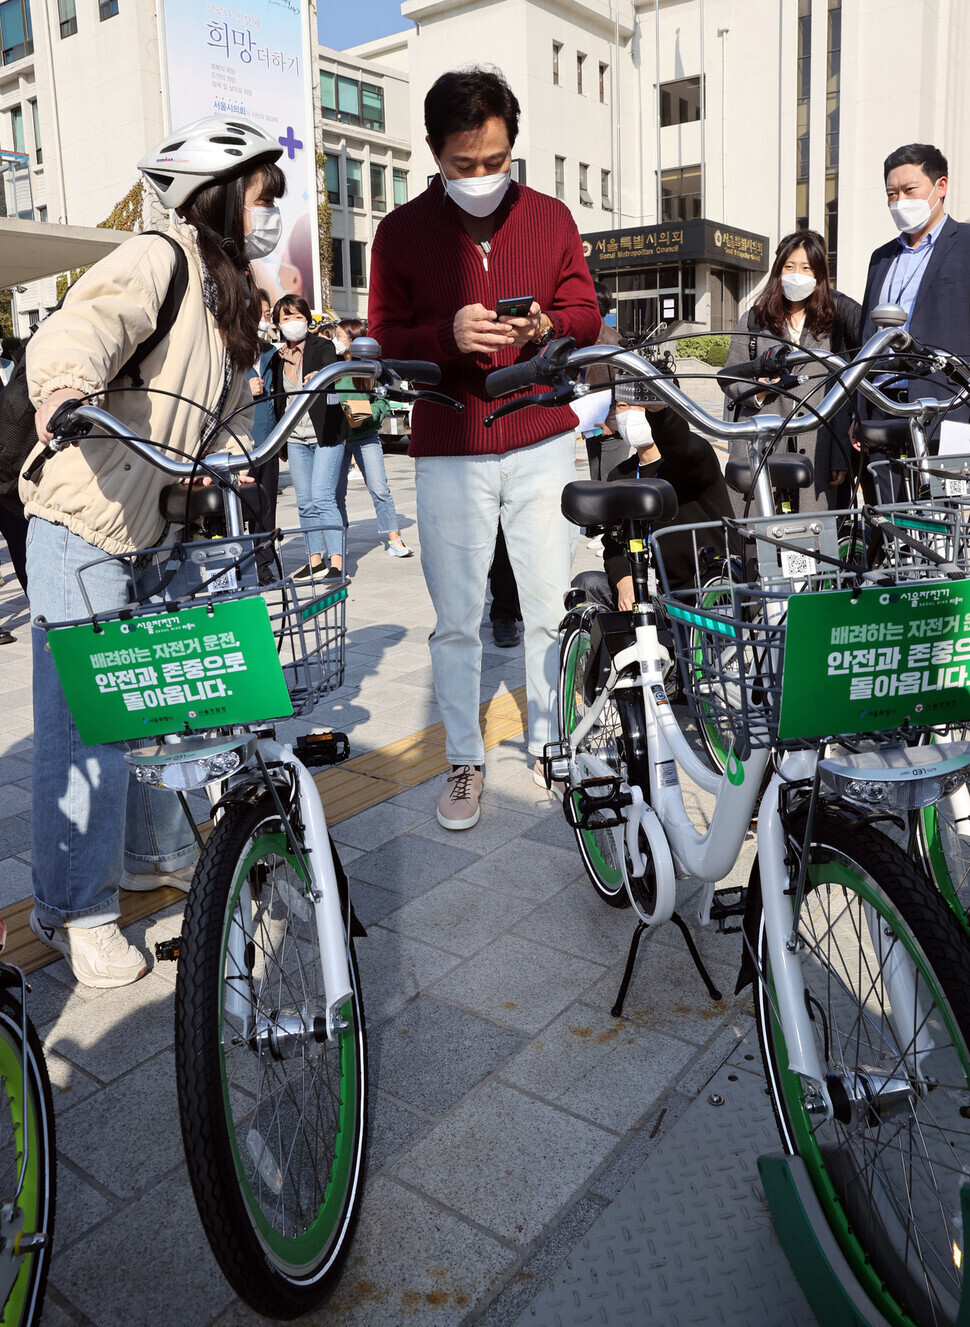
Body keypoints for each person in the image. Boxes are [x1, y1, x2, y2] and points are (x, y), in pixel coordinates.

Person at [21, 115, 286, 986]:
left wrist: (237, 457)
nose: (272, 212)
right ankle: (73, 909)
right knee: (85, 725)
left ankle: (148, 856)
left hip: (161, 524)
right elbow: (79, 329)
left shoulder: (229, 288)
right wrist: (63, 390)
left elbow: (231, 404)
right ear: (215, 195)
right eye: (261, 194)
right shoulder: (157, 258)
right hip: (85, 519)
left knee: (155, 701)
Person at [368, 66, 601, 831]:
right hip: (449, 441)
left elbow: (586, 312)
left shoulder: (551, 215)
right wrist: (446, 335)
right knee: (457, 616)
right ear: (433, 151)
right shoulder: (400, 232)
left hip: (539, 433)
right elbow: (383, 338)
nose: (482, 177)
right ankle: (464, 758)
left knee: (545, 606)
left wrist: (545, 327)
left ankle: (550, 740)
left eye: (496, 160)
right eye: (464, 164)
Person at [719, 230, 860, 511]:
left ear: (819, 275)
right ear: (778, 271)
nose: (797, 275)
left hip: (816, 442)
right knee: (763, 530)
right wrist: (757, 391)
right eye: (790, 267)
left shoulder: (832, 323)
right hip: (764, 441)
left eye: (806, 268)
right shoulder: (754, 319)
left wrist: (838, 458)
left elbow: (841, 392)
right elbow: (730, 376)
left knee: (811, 535)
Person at [574, 381, 734, 606]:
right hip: (650, 589)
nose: (629, 414)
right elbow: (613, 544)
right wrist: (625, 581)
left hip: (703, 590)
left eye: (640, 406)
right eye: (622, 406)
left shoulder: (694, 461)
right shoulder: (620, 475)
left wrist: (660, 412)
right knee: (586, 583)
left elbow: (680, 445)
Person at [858, 143, 970, 442]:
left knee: (941, 491)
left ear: (940, 186)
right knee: (882, 488)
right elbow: (865, 338)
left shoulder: (966, 244)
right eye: (891, 194)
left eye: (909, 190)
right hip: (881, 407)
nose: (899, 201)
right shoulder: (881, 258)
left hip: (946, 408)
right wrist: (859, 411)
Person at [266, 293, 343, 580]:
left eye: (297, 316)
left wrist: (320, 374)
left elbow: (331, 365)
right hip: (295, 438)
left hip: (326, 433)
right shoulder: (276, 358)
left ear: (307, 320)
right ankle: (315, 560)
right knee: (305, 501)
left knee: (323, 496)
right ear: (278, 324)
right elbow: (278, 401)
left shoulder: (321, 345)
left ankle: (336, 561)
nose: (292, 323)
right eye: (286, 318)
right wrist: (280, 440)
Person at [331, 318, 412, 558]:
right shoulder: (332, 365)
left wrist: (369, 415)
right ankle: (338, 541)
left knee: (380, 488)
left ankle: (394, 538)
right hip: (338, 438)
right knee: (336, 493)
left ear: (354, 341)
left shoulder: (369, 368)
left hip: (365, 436)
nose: (335, 339)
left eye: (339, 335)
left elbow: (383, 400)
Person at [245, 290, 282, 583]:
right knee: (235, 508)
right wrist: (247, 392)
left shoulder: (272, 354)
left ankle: (264, 565)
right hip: (238, 446)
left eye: (268, 314)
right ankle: (237, 566)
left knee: (265, 509)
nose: (267, 319)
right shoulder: (226, 353)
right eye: (264, 313)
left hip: (268, 445)